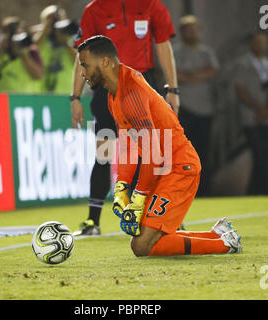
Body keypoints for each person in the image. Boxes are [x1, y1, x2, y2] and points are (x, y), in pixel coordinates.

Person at [77, 35, 242, 256]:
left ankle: (224, 244)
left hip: (177, 168)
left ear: (105, 62)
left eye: (85, 65)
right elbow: (127, 142)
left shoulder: (131, 92)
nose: (82, 73)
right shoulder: (114, 92)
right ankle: (217, 235)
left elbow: (152, 153)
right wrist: (121, 187)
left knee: (142, 246)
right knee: (147, 241)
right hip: (162, 169)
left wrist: (138, 197)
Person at [71, 0, 180, 236]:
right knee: (104, 152)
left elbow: (163, 44)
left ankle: (165, 216)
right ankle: (93, 221)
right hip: (107, 89)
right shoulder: (95, 9)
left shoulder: (151, 5)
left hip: (142, 85)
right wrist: (75, 97)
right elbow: (82, 55)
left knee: (153, 152)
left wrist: (173, 89)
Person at [174, 15, 219, 197]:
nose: (191, 32)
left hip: (205, 109)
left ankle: (204, 190)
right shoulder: (175, 52)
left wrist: (188, 76)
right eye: (187, 29)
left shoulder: (207, 53)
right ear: (182, 32)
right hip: (184, 108)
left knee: (204, 151)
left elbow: (213, 72)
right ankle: (184, 190)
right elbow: (175, 75)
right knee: (183, 154)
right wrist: (198, 75)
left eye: (194, 28)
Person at [234, 32, 268, 195]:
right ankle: (260, 190)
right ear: (250, 44)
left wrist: (267, 109)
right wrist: (259, 109)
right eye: (257, 42)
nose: (260, 45)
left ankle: (261, 190)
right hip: (251, 117)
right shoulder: (243, 64)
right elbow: (240, 90)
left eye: (263, 42)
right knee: (259, 154)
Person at [0, 16, 44, 93]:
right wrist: (1, 48)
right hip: (3, 100)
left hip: (26, 100)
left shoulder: (31, 51)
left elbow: (38, 75)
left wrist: (23, 54)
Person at [33, 5, 78, 94]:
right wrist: (43, 33)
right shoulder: (40, 38)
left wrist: (66, 42)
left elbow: (80, 62)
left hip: (65, 91)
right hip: (42, 91)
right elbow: (30, 52)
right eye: (50, 20)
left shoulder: (71, 39)